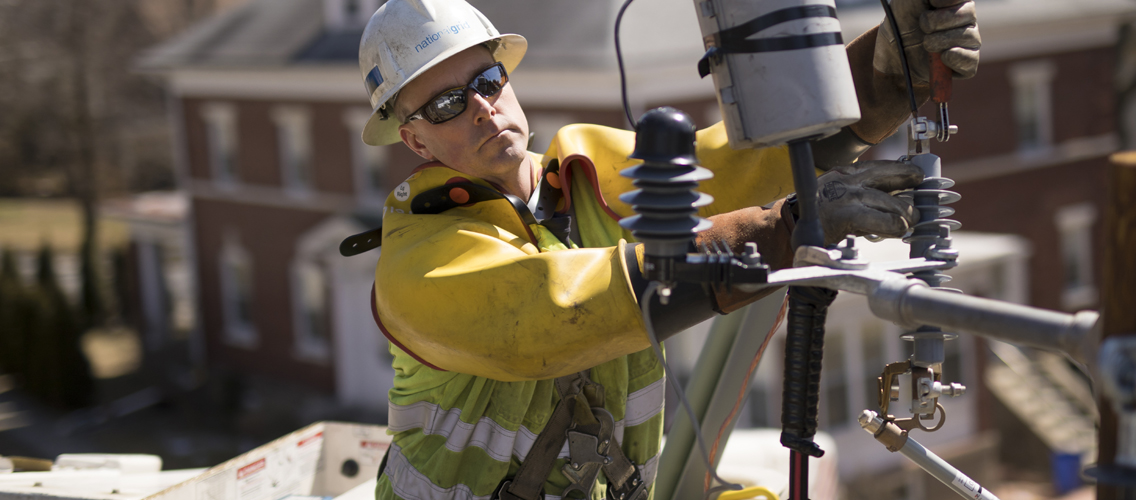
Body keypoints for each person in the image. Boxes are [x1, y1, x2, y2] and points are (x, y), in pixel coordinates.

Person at [355, 1, 980, 499]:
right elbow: (547, 311)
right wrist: (782, 226)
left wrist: (889, 72)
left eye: (488, 79)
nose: (484, 108)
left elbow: (737, 168)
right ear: (414, 141)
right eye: (447, 103)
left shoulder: (586, 172)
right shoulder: (420, 258)